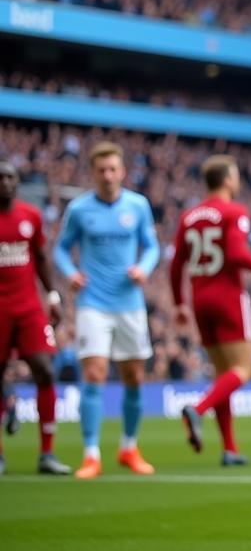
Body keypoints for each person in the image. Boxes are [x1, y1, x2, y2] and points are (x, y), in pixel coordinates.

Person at [54, 141, 160, 479]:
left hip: (129, 303)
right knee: (96, 372)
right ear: (93, 173)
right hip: (93, 303)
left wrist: (143, 267)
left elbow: (152, 245)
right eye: (101, 170)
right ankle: (91, 454)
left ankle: (128, 447)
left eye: (113, 169)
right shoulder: (80, 209)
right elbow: (60, 249)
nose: (108, 175)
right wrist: (71, 273)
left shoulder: (138, 205)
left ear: (123, 171)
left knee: (134, 376)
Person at [172, 155, 251, 465]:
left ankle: (229, 449)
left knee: (222, 375)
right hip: (228, 297)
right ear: (229, 180)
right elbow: (235, 253)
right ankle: (197, 410)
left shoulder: (189, 216)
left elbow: (176, 264)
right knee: (243, 369)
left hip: (200, 298)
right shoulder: (234, 211)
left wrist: (179, 302)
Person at [0, 159, 70, 476]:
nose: (5, 182)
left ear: (18, 182)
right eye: (0, 177)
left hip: (28, 306)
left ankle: (47, 453)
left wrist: (53, 296)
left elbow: (41, 258)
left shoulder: (31, 216)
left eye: (10, 177)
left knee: (44, 369)